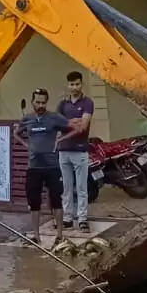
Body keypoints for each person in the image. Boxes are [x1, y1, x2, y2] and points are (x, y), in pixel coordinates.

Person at [14, 89, 70, 244]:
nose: (40, 105)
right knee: (34, 202)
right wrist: (26, 144)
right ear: (32, 102)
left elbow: (72, 128)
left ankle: (59, 235)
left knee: (56, 200)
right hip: (34, 168)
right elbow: (16, 133)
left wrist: (59, 141)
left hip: (52, 167)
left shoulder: (55, 118)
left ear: (47, 102)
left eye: (43, 102)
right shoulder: (27, 119)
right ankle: (36, 236)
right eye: (37, 102)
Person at [57, 71, 95, 235]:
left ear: (82, 84)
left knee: (81, 187)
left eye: (77, 84)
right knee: (66, 187)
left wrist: (67, 123)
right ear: (68, 85)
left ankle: (82, 219)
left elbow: (83, 126)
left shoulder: (88, 103)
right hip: (63, 150)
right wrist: (72, 121)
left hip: (80, 150)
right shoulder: (62, 104)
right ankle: (67, 218)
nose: (74, 87)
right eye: (71, 84)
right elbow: (57, 125)